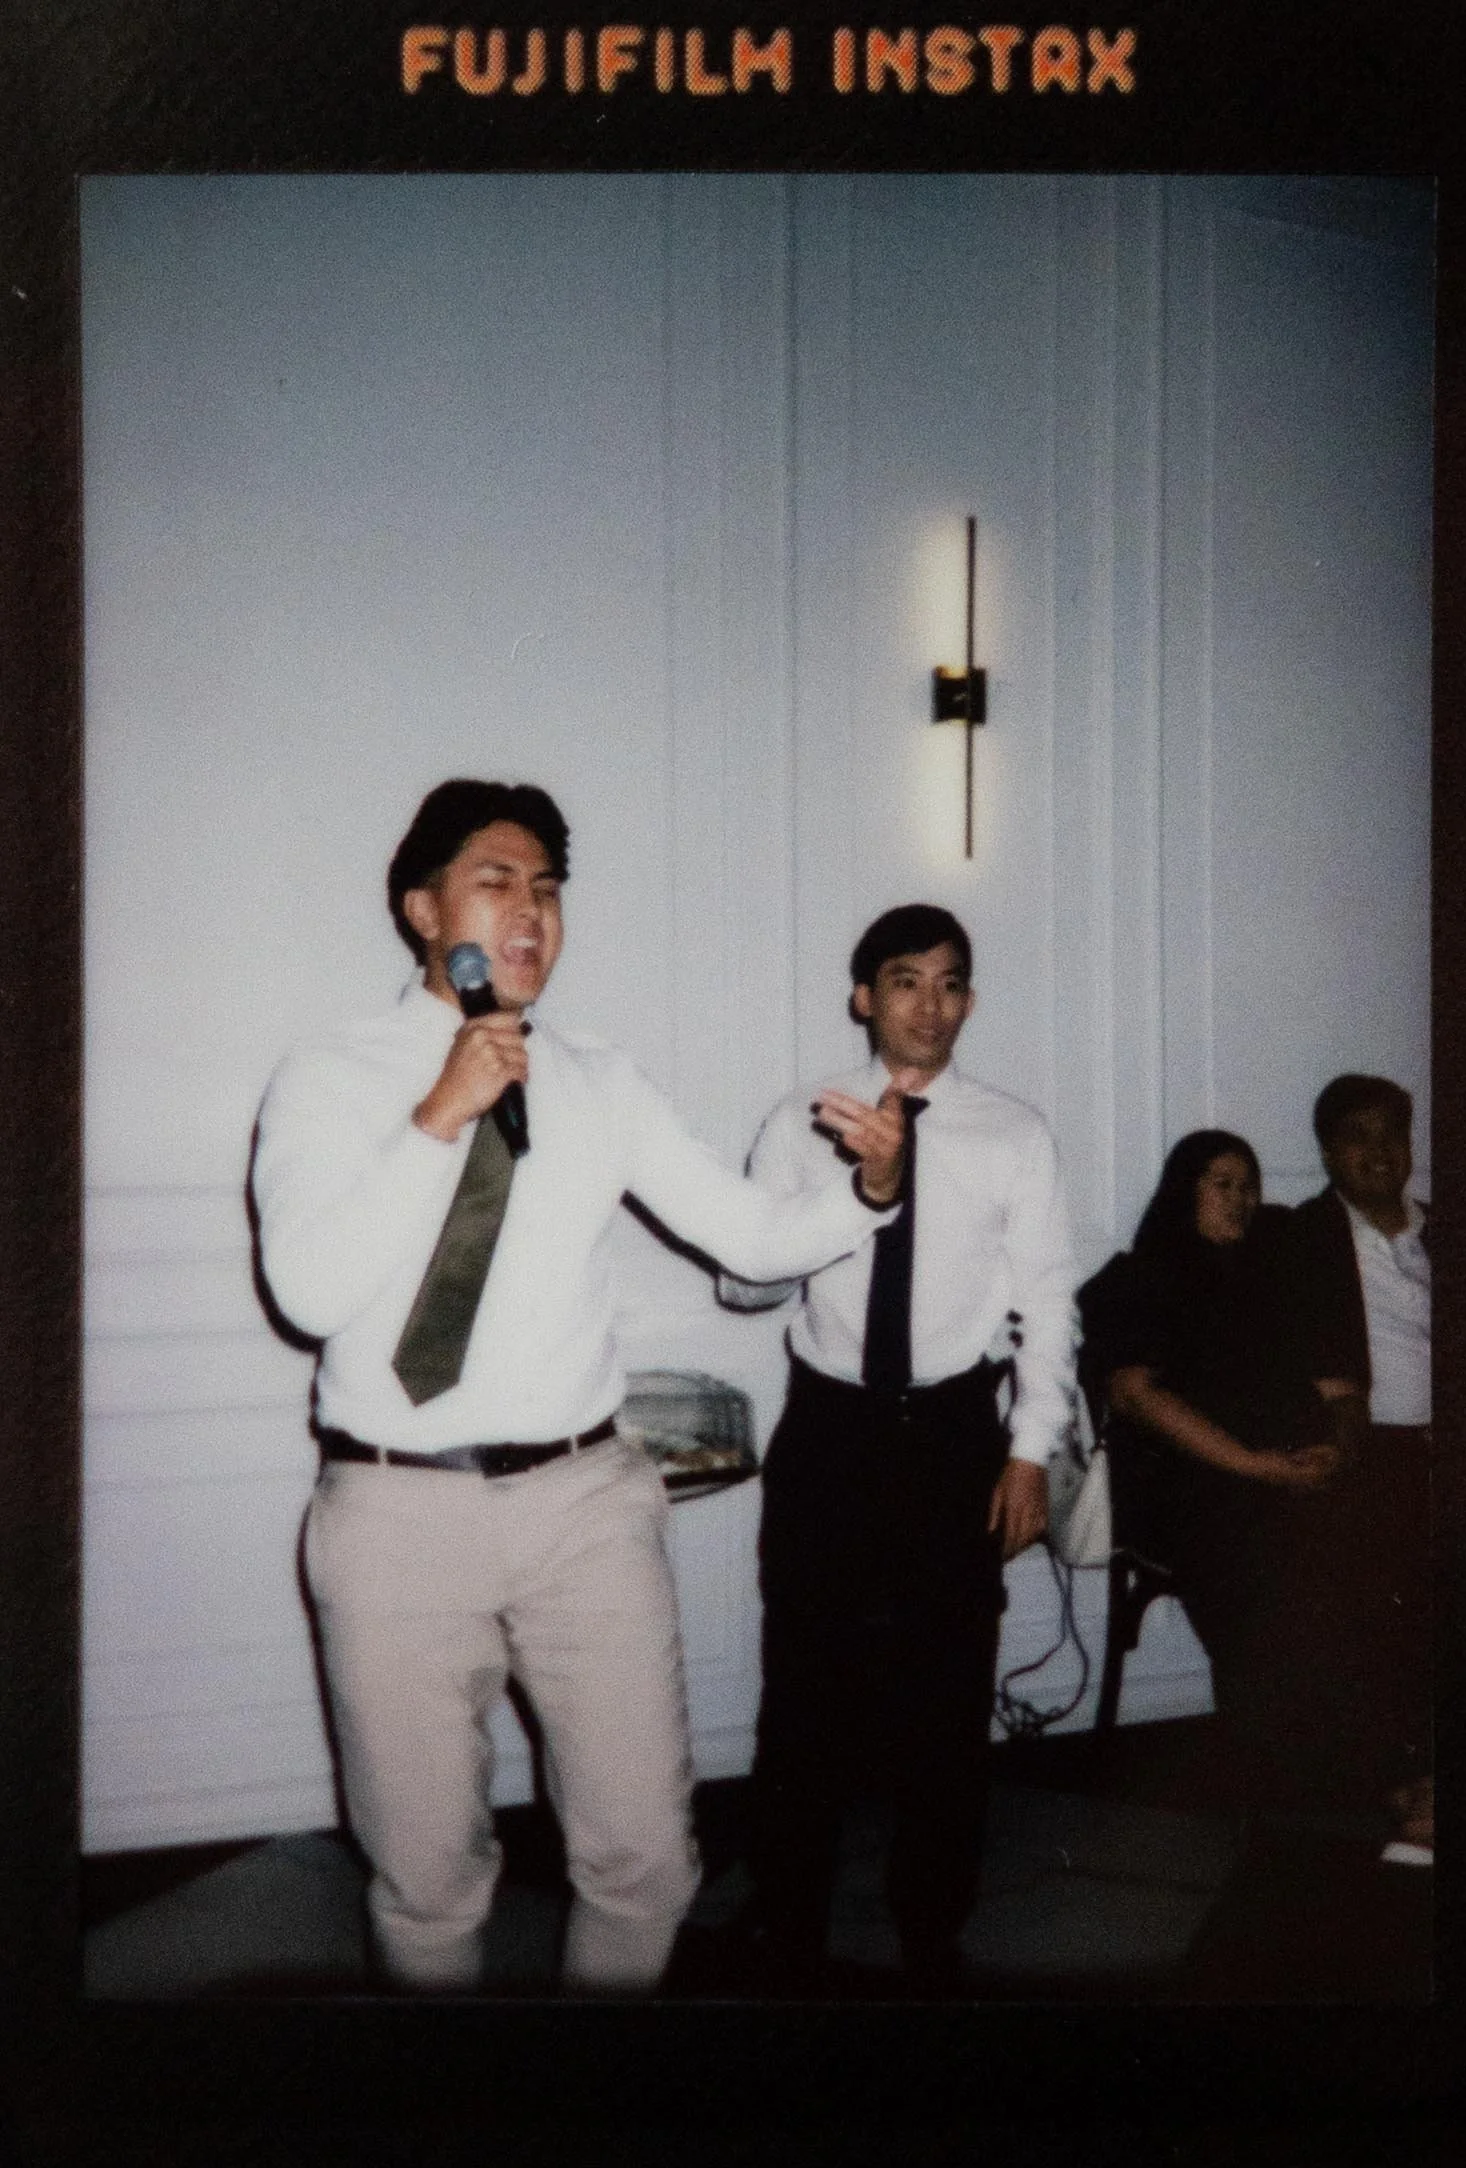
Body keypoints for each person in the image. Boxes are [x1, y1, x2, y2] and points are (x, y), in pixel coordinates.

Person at [252, 777, 911, 1994]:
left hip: (583, 1505)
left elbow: (750, 1234)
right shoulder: (330, 1075)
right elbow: (306, 1290)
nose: (531, 912)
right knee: (427, 1878)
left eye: (548, 890)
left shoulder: (598, 1077)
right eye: (497, 882)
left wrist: (868, 1193)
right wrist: (438, 1119)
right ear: (422, 910)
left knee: (646, 1859)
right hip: (397, 1513)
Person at [720, 904, 1077, 1991]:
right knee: (804, 1690)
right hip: (831, 1429)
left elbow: (1048, 1303)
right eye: (906, 980)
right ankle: (789, 1921)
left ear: (969, 999)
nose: (931, 1005)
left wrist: (1030, 1451)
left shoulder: (1014, 1134)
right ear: (863, 997)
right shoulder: (802, 1120)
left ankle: (932, 1927)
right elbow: (743, 1284)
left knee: (948, 1696)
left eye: (950, 982)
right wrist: (848, 1194)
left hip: (954, 1435)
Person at [1077, 1131, 1354, 1809]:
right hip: (1189, 1483)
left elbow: (1339, 1389)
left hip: (1285, 1470)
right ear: (1185, 1191)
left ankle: (1351, 1768)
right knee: (1260, 1562)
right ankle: (1280, 1780)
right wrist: (1254, 1466)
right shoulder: (1143, 1278)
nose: (1242, 1200)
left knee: (1368, 1548)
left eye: (1250, 1186)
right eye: (1222, 1184)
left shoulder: (1274, 1276)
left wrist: (1341, 1448)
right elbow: (1136, 1395)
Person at [1286, 1075, 1432, 1853]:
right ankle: (1414, 1784)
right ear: (1326, 1152)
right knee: (1392, 1593)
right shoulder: (1302, 1238)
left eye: (1392, 1134)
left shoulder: (1449, 1230)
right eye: (1358, 1136)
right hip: (1374, 1453)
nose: (1379, 1152)